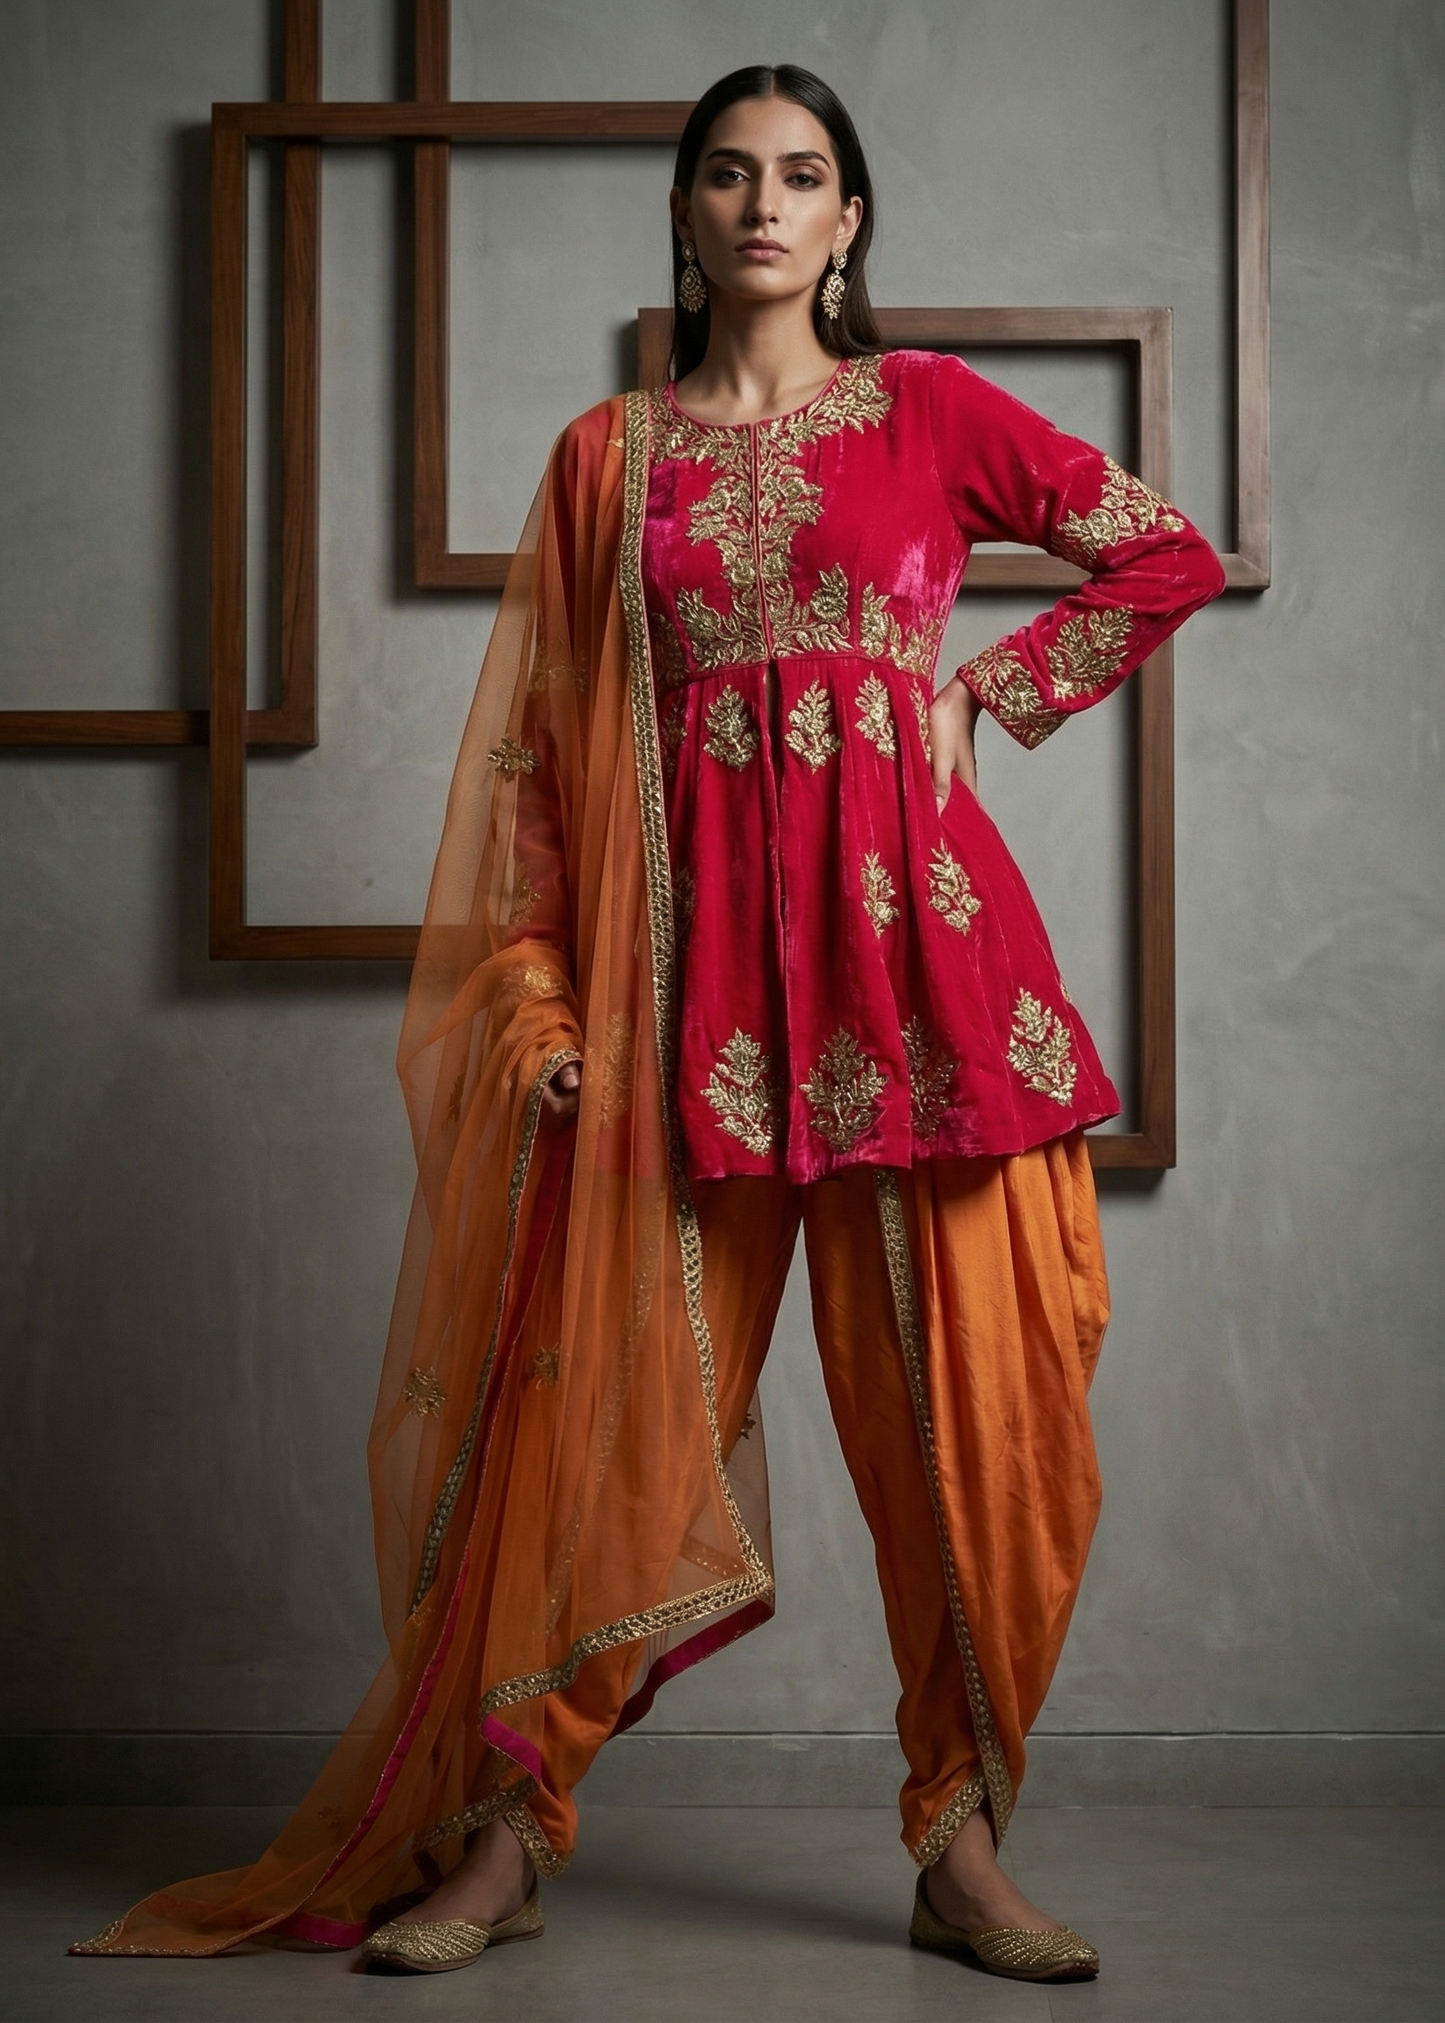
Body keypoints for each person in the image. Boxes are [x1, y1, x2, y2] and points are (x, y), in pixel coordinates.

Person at [73, 64, 1224, 1987]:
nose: (765, 204)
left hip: (927, 997)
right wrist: (538, 1001)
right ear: (685, 218)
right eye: (728, 176)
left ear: (850, 221)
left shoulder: (929, 411)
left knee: (969, 1438)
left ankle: (963, 1840)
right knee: (600, 1442)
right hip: (692, 1015)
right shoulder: (608, 463)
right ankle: (513, 1829)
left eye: (804, 176)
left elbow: (1164, 549)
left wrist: (992, 693)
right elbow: (536, 774)